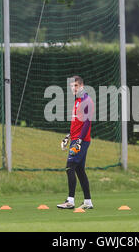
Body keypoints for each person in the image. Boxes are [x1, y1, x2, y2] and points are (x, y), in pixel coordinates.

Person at [57, 76, 94, 210]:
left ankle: (70, 201)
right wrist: (68, 137)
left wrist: (78, 140)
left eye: (76, 86)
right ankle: (88, 201)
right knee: (79, 170)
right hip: (76, 139)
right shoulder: (77, 101)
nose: (73, 88)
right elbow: (76, 124)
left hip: (81, 141)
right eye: (72, 86)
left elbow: (87, 122)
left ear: (82, 86)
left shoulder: (87, 100)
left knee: (69, 167)